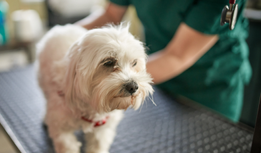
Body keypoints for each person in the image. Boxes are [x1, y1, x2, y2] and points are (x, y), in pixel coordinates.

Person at [75, 0, 251, 123]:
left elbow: (177, 56)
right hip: (157, 80)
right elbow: (110, 14)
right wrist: (63, 38)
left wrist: (108, 85)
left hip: (211, 87)